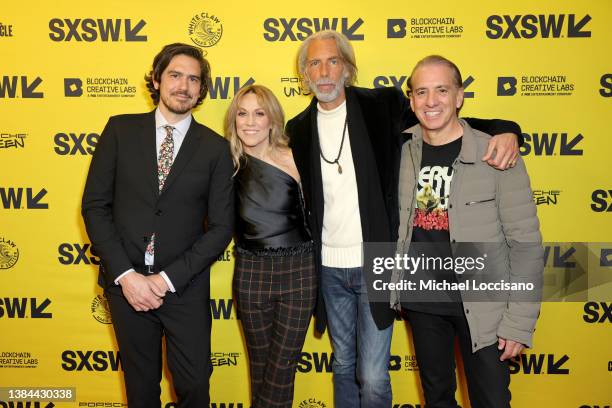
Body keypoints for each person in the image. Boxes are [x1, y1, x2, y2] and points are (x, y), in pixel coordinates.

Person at [285, 30, 524, 408]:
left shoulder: (380, 105)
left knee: (374, 376)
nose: (325, 70)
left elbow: (441, 119)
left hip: (376, 264)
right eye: (314, 63)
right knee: (344, 363)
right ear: (304, 73)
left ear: (348, 68)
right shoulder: (296, 129)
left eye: (333, 60)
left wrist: (506, 129)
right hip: (329, 269)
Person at [81, 43, 234, 408]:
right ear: (156, 79)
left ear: (202, 89)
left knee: (195, 384)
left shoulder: (215, 148)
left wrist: (165, 280)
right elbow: (95, 206)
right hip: (127, 286)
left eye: (194, 79)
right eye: (175, 75)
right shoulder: (120, 130)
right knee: (140, 388)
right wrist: (127, 276)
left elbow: (221, 228)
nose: (184, 85)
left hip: (183, 287)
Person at [390, 55, 544, 407]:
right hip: (424, 298)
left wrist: (519, 323)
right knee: (437, 398)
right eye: (422, 92)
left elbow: (526, 245)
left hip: (485, 304)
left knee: (490, 401)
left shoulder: (496, 153)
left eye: (442, 90)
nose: (432, 102)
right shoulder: (400, 150)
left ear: (459, 95)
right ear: (411, 100)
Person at [225, 84, 316, 408]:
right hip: (251, 273)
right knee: (261, 370)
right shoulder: (226, 164)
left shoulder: (297, 158)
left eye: (259, 113)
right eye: (242, 113)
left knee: (280, 371)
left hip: (300, 273)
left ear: (272, 119)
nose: (250, 122)